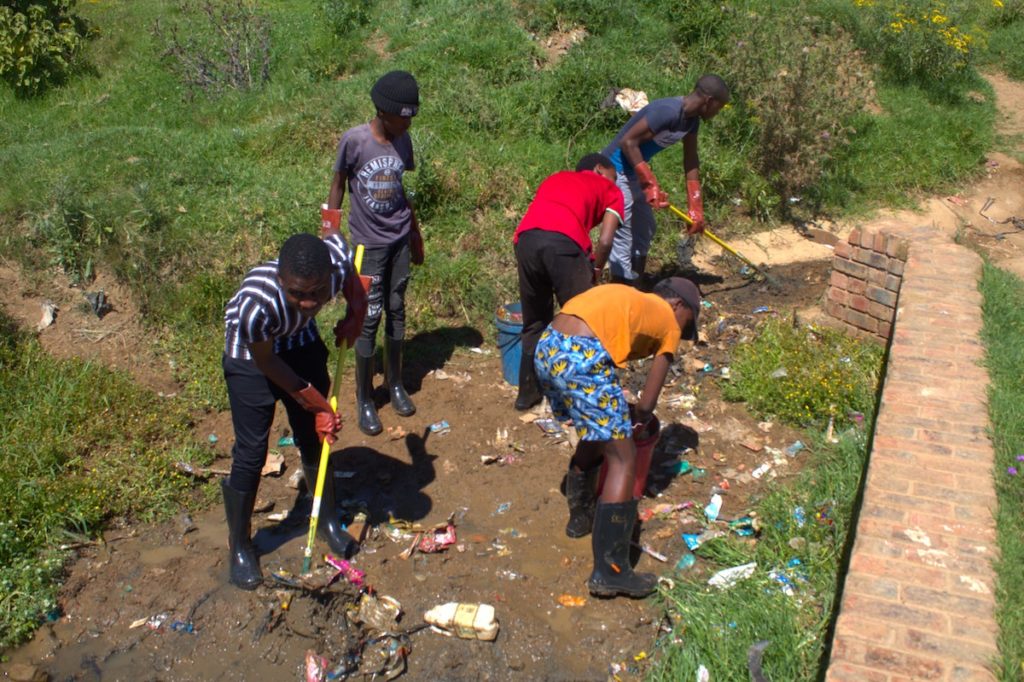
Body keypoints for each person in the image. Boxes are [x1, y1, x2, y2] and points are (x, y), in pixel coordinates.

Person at [534, 277, 701, 597]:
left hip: (549, 346)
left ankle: (580, 519)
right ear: (677, 305)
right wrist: (636, 417)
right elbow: (648, 405)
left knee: (598, 433)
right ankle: (610, 571)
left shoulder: (632, 298)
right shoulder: (668, 322)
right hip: (581, 354)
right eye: (688, 321)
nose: (683, 331)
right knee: (623, 457)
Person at [221, 229, 367, 590]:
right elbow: (269, 365)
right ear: (280, 280)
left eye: (316, 294)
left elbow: (352, 275)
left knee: (315, 438)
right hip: (254, 358)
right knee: (252, 451)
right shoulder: (256, 303)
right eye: (297, 293)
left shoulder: (332, 264)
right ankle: (239, 545)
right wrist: (318, 403)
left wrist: (356, 316)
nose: (308, 302)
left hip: (299, 341)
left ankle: (329, 521)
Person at [324, 70, 422, 436]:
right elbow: (336, 186)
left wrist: (414, 233)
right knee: (368, 314)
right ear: (383, 111)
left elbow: (400, 189)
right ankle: (364, 397)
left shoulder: (403, 141)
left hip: (398, 240)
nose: (408, 123)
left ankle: (394, 383)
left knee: (397, 307)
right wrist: (330, 235)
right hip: (368, 245)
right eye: (403, 116)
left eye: (412, 116)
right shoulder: (355, 142)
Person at [511, 152, 625, 411]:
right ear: (599, 169)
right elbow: (606, 240)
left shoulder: (556, 178)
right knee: (581, 320)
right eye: (614, 176)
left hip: (527, 240)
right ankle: (580, 396)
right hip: (564, 243)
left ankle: (526, 393)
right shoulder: (609, 189)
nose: (615, 183)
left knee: (535, 320)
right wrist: (596, 268)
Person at [601, 74, 730, 285]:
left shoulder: (691, 122)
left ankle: (637, 284)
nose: (717, 113)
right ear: (709, 101)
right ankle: (619, 292)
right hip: (614, 171)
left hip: (633, 173)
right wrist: (649, 182)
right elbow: (628, 143)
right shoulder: (667, 111)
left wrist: (695, 207)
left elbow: (691, 160)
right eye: (719, 107)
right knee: (624, 233)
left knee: (646, 228)